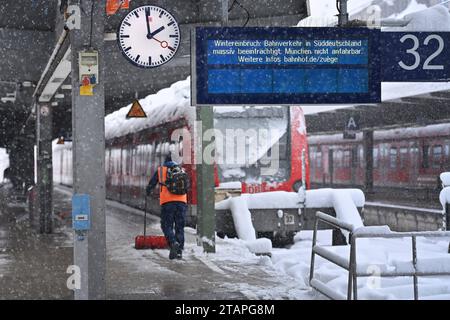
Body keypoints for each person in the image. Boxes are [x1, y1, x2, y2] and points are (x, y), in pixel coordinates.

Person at [146, 154, 188, 260]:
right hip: (182, 202)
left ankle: (173, 243)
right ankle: (179, 251)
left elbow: (152, 183)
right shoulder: (181, 170)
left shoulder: (161, 170)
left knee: (166, 226)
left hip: (168, 202)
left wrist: (148, 191)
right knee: (179, 227)